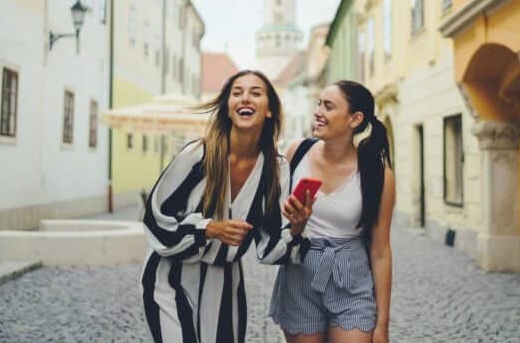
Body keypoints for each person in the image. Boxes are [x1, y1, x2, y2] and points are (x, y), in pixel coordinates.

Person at [140, 69, 313, 343]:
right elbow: (155, 216)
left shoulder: (275, 169)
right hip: (169, 278)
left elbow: (268, 248)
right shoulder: (198, 155)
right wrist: (208, 229)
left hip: (224, 285)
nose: (245, 98)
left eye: (255, 93)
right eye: (237, 93)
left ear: (269, 110)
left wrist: (296, 228)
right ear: (228, 109)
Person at [271, 80, 396, 343]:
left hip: (351, 277)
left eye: (328, 106)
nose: (318, 112)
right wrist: (295, 225)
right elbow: (275, 221)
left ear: (355, 119)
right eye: (319, 104)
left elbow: (381, 251)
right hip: (300, 274)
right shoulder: (297, 153)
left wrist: (382, 325)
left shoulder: (378, 174)